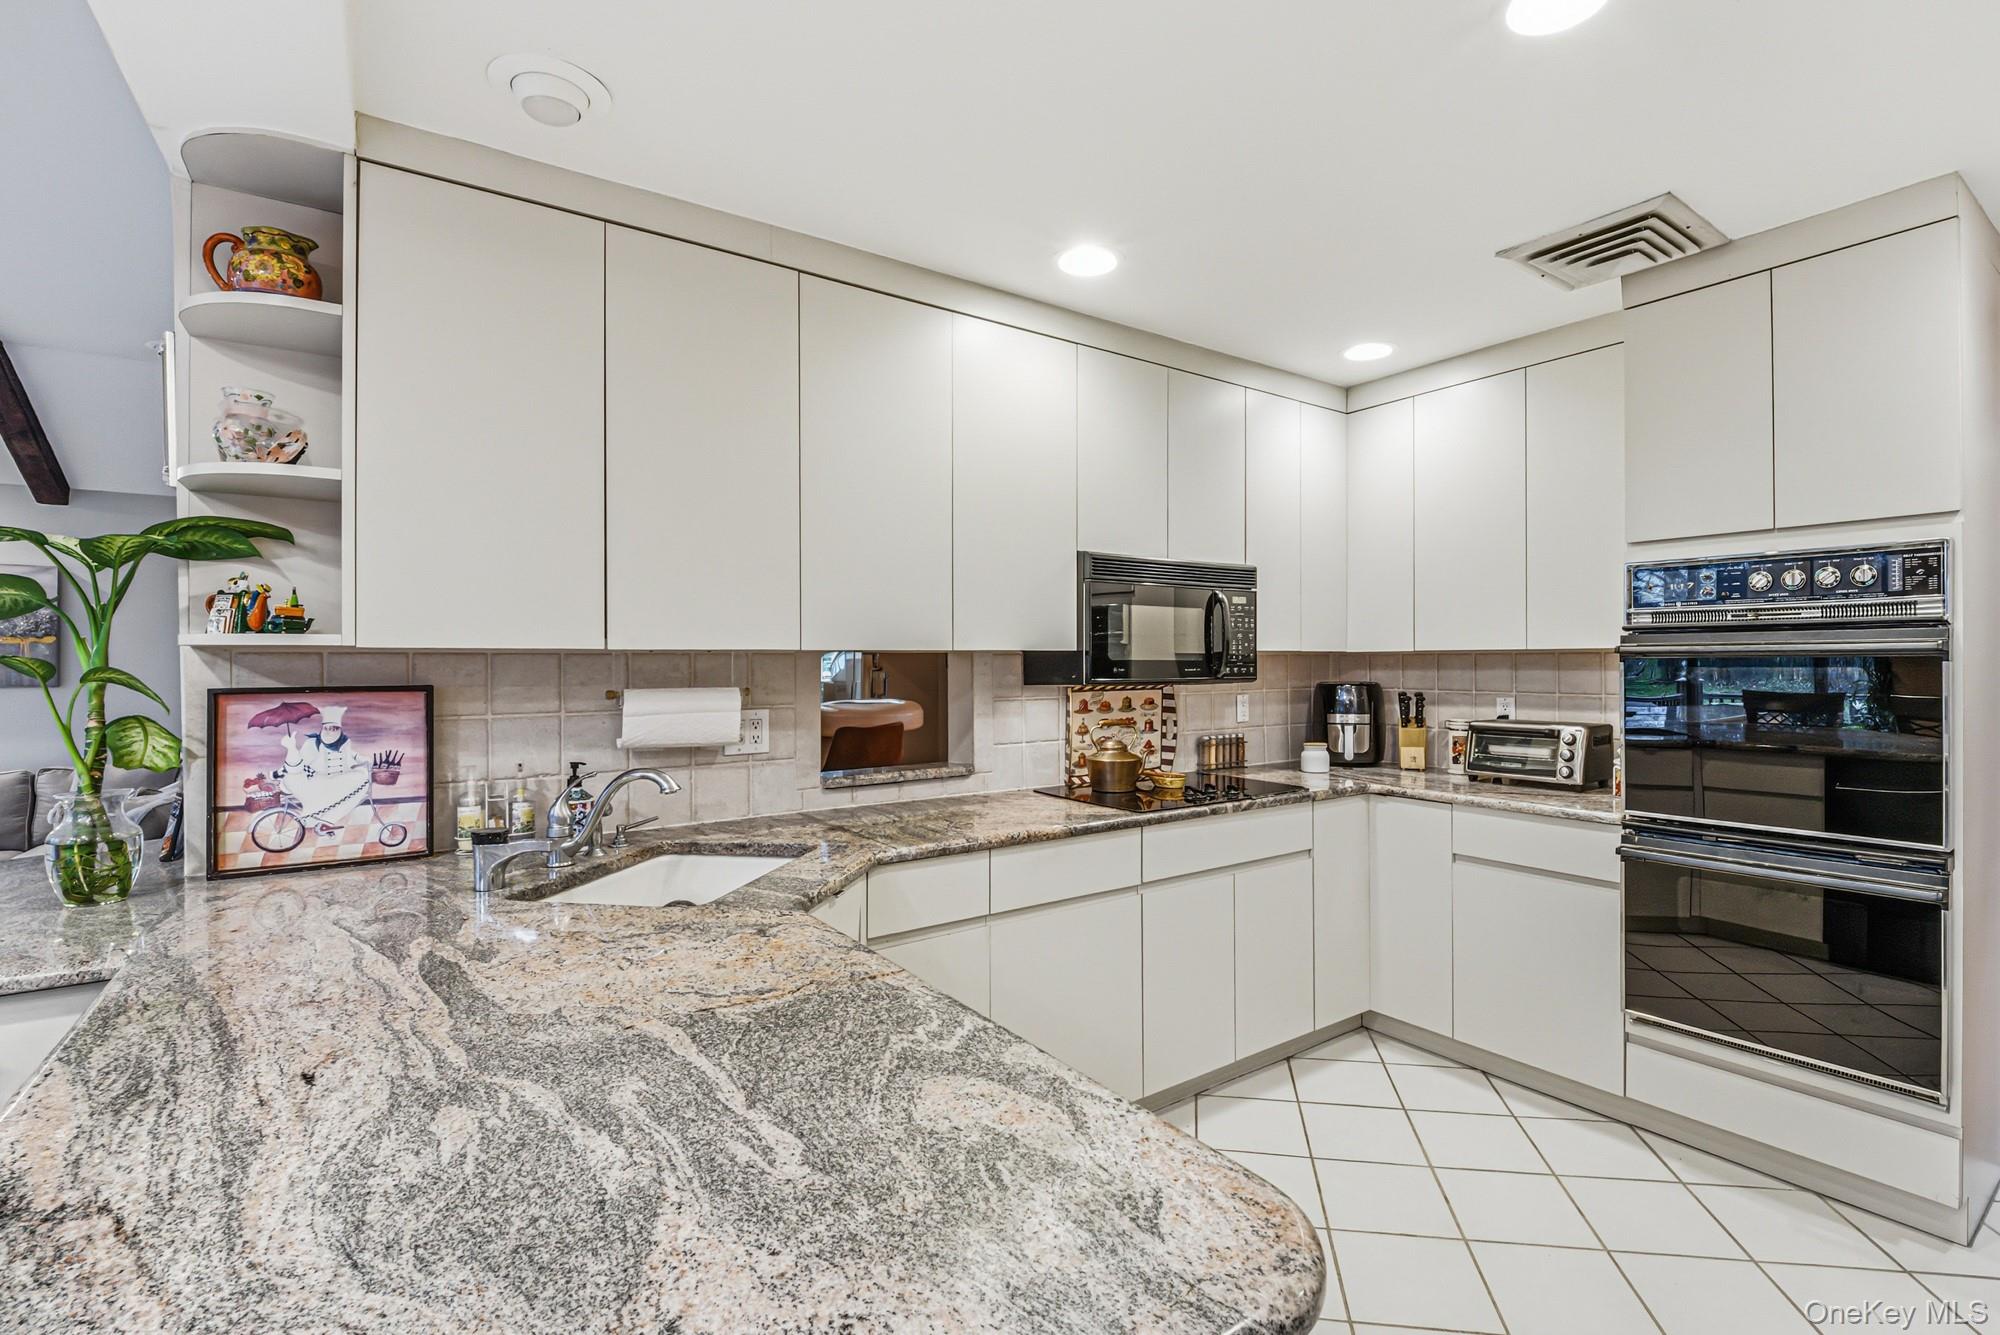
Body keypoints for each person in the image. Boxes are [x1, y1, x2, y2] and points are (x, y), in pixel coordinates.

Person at [277, 705, 369, 839]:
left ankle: (325, 822)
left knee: (362, 778)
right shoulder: (312, 743)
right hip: (315, 781)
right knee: (357, 783)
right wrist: (291, 748)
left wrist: (363, 759)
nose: (330, 731)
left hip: (337, 780)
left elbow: (350, 754)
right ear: (322, 728)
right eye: (327, 728)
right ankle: (321, 821)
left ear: (339, 729)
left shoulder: (344, 742)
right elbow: (297, 767)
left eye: (334, 728)